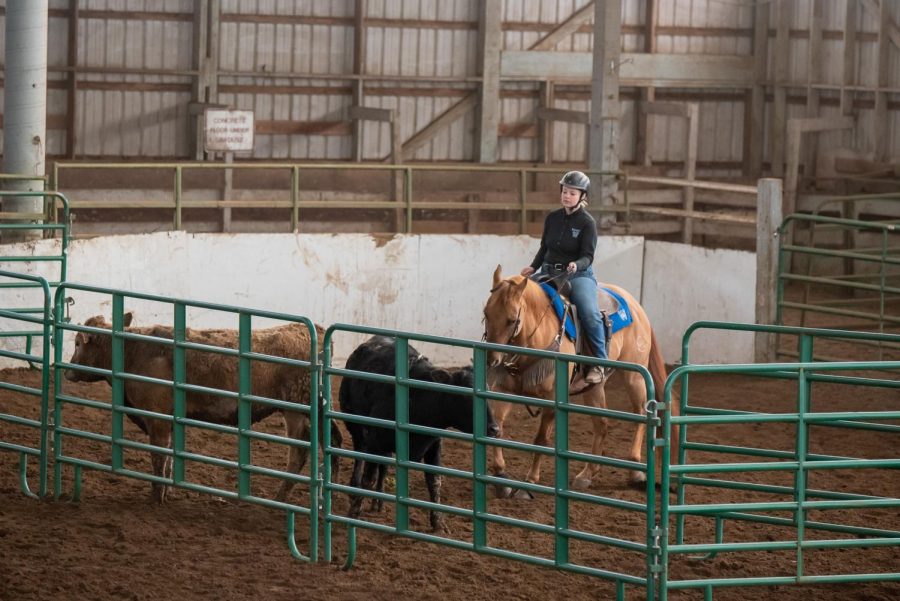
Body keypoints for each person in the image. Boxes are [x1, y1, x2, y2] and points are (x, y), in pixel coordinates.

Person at [520, 170, 608, 388]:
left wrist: (576, 265)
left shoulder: (587, 223)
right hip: (549, 272)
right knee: (519, 300)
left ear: (582, 196)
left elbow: (588, 256)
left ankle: (599, 362)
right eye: (565, 191)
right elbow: (544, 248)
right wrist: (533, 266)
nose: (567, 196)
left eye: (572, 192)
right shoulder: (552, 218)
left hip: (578, 275)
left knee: (589, 313)